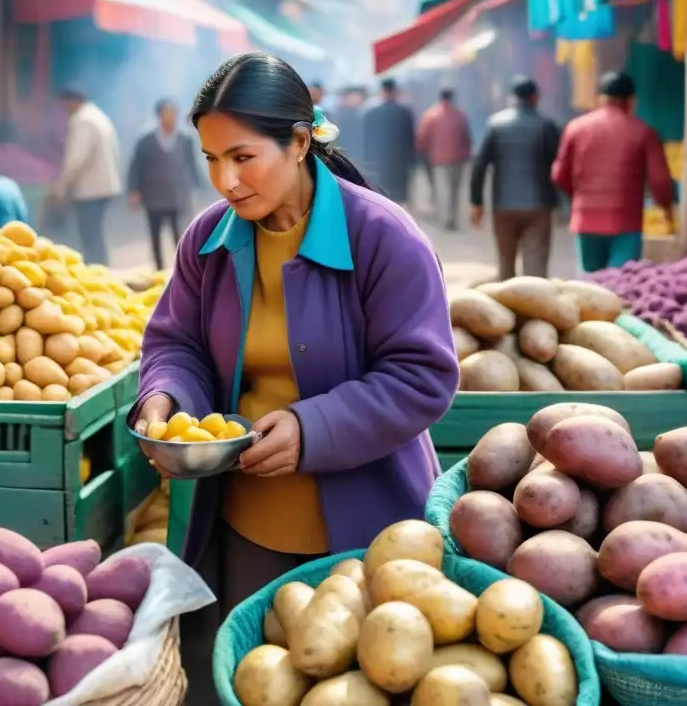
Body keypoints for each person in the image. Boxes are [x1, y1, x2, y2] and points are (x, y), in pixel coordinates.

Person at [130, 52, 459, 700]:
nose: (225, 180)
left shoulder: (384, 239)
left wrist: (313, 429)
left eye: (243, 157)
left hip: (370, 534)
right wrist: (165, 398)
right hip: (246, 529)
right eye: (210, 158)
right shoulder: (206, 240)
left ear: (302, 142)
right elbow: (177, 343)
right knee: (254, 685)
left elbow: (422, 376)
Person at [552, 71, 675, 274]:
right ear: (632, 101)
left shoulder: (575, 128)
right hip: (625, 223)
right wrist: (666, 208)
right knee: (620, 287)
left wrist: (580, 198)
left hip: (585, 221)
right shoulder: (643, 132)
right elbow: (660, 181)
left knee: (590, 289)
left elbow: (558, 175)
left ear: (600, 98)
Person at [470, 77, 562, 279]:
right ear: (534, 97)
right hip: (538, 206)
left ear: (512, 97)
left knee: (505, 265)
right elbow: (559, 165)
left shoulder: (496, 123)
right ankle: (536, 308)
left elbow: (480, 165)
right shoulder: (546, 125)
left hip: (503, 206)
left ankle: (507, 308)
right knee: (536, 266)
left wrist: (477, 202)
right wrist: (561, 202)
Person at [127, 99, 202, 270]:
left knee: (180, 234)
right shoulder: (146, 139)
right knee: (155, 234)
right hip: (153, 194)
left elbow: (192, 165)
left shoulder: (185, 138)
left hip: (177, 194)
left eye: (174, 113)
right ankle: (159, 269)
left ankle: (182, 269)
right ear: (159, 115)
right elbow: (136, 165)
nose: (171, 117)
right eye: (167, 113)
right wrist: (134, 190)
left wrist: (200, 187)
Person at [52, 85, 121, 266]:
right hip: (104, 186)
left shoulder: (83, 120)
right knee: (94, 233)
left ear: (73, 101)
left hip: (91, 188)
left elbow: (77, 158)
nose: (64, 110)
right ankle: (101, 270)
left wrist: (62, 184)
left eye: (64, 105)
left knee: (90, 235)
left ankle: (97, 272)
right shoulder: (97, 115)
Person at [417, 87, 472, 230]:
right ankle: (453, 218)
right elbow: (467, 136)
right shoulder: (460, 115)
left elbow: (423, 137)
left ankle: (446, 218)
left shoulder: (431, 115)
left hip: (438, 159)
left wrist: (421, 152)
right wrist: (467, 154)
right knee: (455, 189)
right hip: (458, 158)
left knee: (443, 189)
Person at [362, 78, 416, 205]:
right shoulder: (405, 112)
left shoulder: (371, 112)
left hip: (379, 164)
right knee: (399, 199)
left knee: (381, 199)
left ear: (382, 91)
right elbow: (410, 139)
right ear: (395, 91)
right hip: (400, 163)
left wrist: (366, 162)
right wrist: (412, 162)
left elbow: (367, 140)